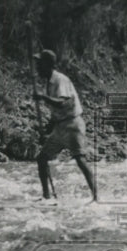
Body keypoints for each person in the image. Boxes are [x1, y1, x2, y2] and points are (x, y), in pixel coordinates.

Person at [33, 49, 97, 201]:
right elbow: (56, 111)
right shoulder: (49, 82)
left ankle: (96, 197)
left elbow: (62, 103)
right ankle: (46, 197)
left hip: (73, 125)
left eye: (39, 64)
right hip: (60, 127)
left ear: (48, 65)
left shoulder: (60, 80)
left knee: (80, 159)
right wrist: (47, 130)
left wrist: (42, 97)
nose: (37, 68)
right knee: (42, 159)